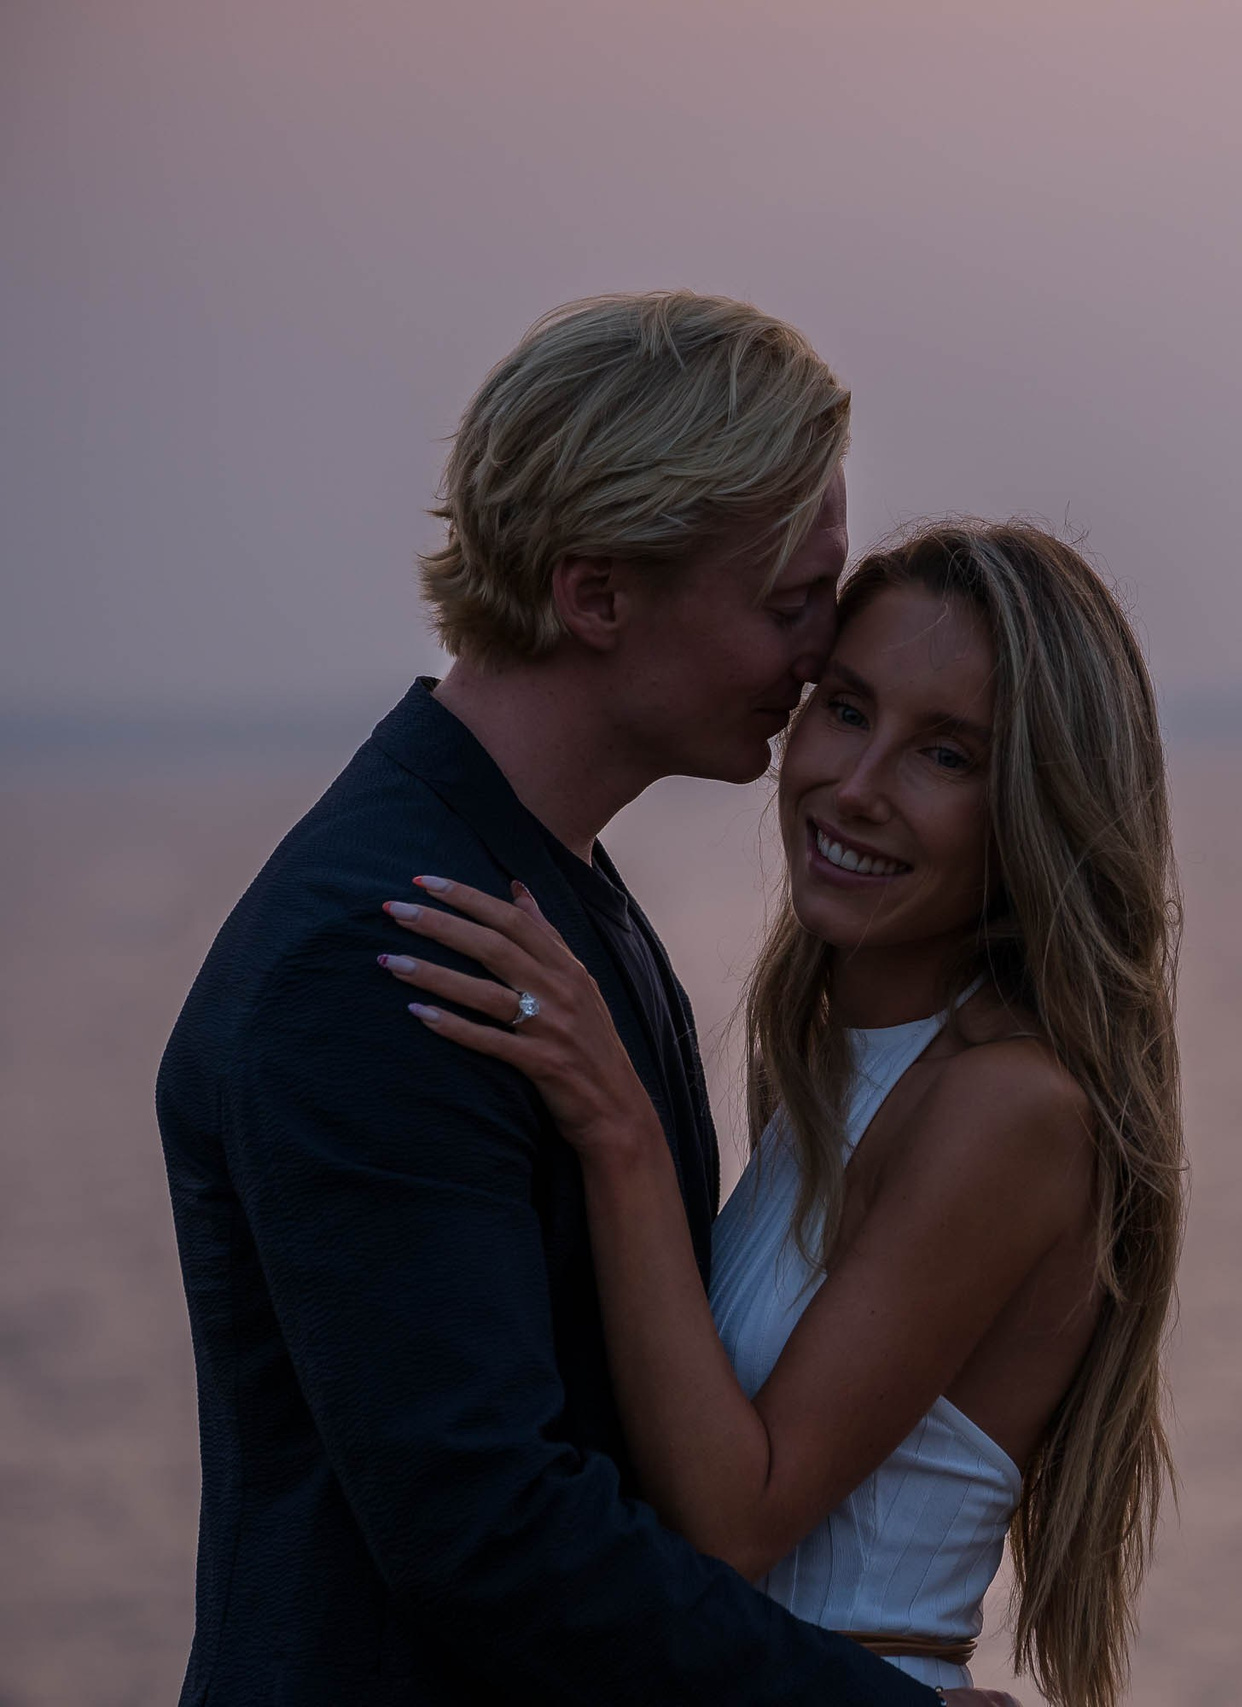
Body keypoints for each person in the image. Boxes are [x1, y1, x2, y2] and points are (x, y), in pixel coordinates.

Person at [158, 292, 1001, 1704]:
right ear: (598, 594)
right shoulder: (382, 949)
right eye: (789, 602)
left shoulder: (555, 905)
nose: (817, 656)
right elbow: (489, 1533)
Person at [374, 520, 1185, 1707]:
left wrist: (620, 1131)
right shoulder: (834, 1068)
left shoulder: (1009, 1106)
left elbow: (737, 1518)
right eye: (847, 709)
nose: (856, 788)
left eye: (947, 756)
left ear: (1035, 810)